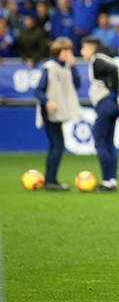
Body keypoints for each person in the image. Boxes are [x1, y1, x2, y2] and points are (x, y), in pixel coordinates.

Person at [80, 36, 119, 192]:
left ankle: (106, 181)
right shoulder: (112, 58)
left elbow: (113, 71)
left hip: (106, 104)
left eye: (83, 48)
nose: (82, 52)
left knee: (100, 141)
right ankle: (112, 180)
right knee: (109, 143)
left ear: (91, 47)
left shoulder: (97, 60)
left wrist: (113, 94)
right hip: (114, 105)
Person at [34, 37, 81, 190]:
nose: (69, 53)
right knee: (57, 145)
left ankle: (51, 179)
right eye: (66, 50)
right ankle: (50, 181)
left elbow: (77, 84)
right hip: (50, 112)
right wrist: (47, 101)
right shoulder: (50, 67)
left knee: (57, 146)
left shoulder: (66, 67)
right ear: (58, 51)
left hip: (59, 111)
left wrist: (73, 67)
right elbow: (38, 90)